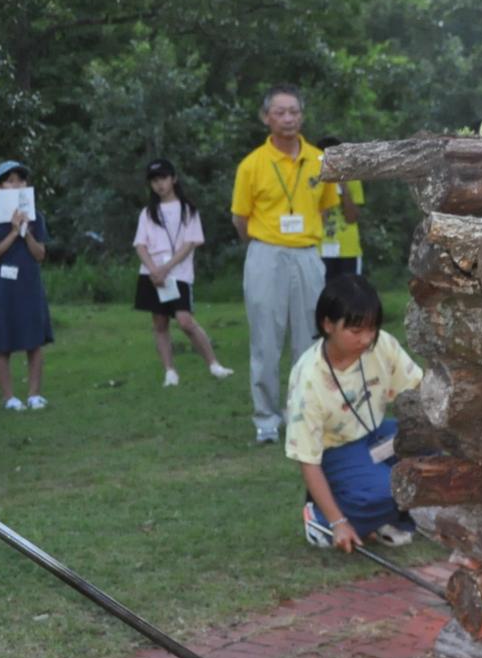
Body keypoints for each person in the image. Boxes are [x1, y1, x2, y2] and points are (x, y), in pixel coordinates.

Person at [230, 85, 348, 446]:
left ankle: (304, 414)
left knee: (310, 340)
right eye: (280, 112)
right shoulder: (252, 164)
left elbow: (327, 206)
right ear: (266, 117)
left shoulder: (318, 160)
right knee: (265, 340)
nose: (288, 118)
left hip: (308, 255)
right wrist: (267, 244)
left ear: (302, 115)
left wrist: (301, 238)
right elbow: (240, 219)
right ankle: (266, 419)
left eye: (294, 111)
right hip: (266, 252)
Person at [286, 273, 422, 550]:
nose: (366, 339)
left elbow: (418, 392)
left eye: (371, 329)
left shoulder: (381, 345)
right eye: (356, 331)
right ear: (327, 325)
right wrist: (339, 523)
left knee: (428, 443)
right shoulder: (309, 380)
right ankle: (324, 519)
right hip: (336, 453)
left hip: (376, 437)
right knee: (391, 488)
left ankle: (387, 515)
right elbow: (307, 461)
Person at [133, 158, 232, 387]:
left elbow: (190, 243)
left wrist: (166, 268)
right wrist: (154, 270)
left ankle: (214, 364)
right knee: (159, 323)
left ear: (174, 179)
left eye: (164, 179)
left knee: (185, 321)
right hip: (152, 274)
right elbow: (140, 245)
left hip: (178, 273)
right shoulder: (148, 212)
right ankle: (170, 371)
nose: (160, 185)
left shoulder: (188, 210)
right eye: (155, 180)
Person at [0, 160, 54, 410]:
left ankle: (34, 394)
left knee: (35, 341)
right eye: (10, 180)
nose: (16, 184)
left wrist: (26, 231)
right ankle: (9, 397)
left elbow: (40, 254)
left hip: (29, 282)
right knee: (3, 342)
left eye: (20, 180)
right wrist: (12, 232)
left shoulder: (36, 216)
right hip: (4, 287)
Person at [311, 136, 365, 279]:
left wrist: (344, 189)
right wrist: (326, 189)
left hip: (348, 249)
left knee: (350, 295)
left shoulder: (351, 177)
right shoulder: (312, 180)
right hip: (319, 248)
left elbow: (352, 218)